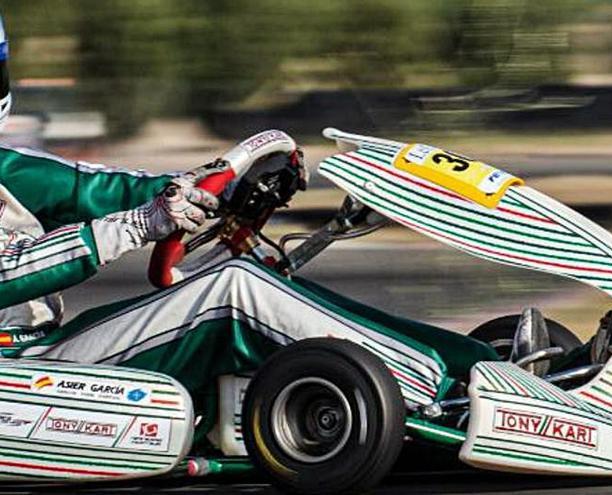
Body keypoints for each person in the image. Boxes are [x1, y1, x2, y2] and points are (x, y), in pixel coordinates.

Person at [0, 11, 451, 429]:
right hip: (19, 377)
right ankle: (437, 397)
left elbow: (110, 190)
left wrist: (217, 189)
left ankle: (478, 363)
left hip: (45, 356)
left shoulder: (12, 169)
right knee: (231, 293)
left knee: (260, 277)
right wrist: (138, 225)